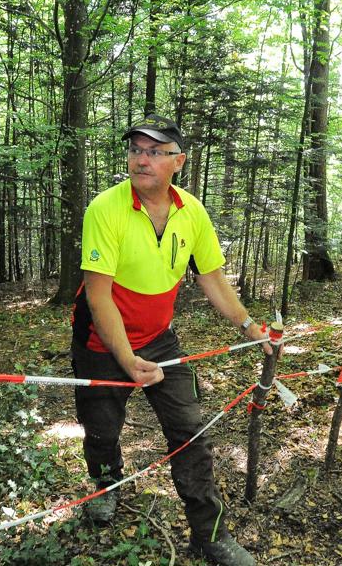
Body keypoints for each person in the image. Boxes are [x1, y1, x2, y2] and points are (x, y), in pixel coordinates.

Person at [71, 114, 265, 566]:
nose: (142, 160)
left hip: (160, 340)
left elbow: (211, 278)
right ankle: (106, 483)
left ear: (179, 161)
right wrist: (126, 359)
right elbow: (99, 298)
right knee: (101, 428)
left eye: (155, 152)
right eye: (136, 150)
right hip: (101, 343)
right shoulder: (105, 209)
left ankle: (209, 534)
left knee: (190, 432)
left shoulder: (191, 211)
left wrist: (249, 327)